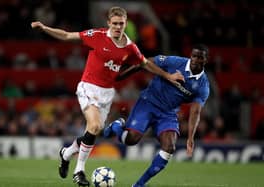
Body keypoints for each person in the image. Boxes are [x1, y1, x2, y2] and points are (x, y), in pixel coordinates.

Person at [31, 6, 184, 187]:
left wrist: (167, 75)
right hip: (88, 87)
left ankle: (66, 153)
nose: (118, 27)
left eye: (121, 23)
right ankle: (78, 171)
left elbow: (144, 63)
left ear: (126, 23)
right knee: (94, 126)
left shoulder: (130, 47)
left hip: (107, 94)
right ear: (108, 23)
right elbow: (67, 36)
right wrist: (45, 28)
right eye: (115, 23)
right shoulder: (97, 35)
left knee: (93, 132)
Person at [104, 44, 210, 187]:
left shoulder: (203, 86)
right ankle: (117, 125)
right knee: (131, 140)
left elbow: (195, 112)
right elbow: (146, 62)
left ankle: (139, 184)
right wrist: (121, 76)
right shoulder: (175, 62)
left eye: (200, 57)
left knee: (169, 147)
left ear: (206, 60)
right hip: (149, 103)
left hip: (168, 113)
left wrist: (191, 137)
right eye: (194, 56)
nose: (195, 60)